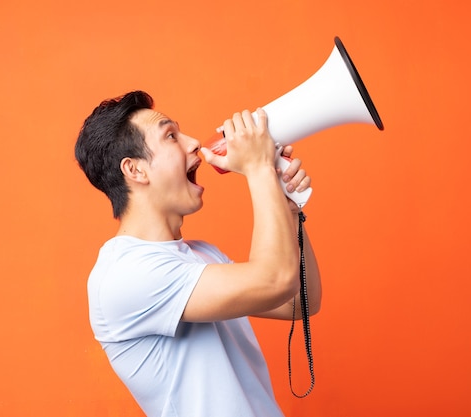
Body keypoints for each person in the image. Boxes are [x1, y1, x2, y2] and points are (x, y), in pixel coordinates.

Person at [75, 90, 322, 416]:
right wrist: (259, 168)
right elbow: (275, 280)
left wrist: (287, 210)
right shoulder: (124, 273)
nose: (193, 143)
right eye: (171, 136)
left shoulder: (202, 254)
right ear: (135, 170)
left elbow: (299, 301)